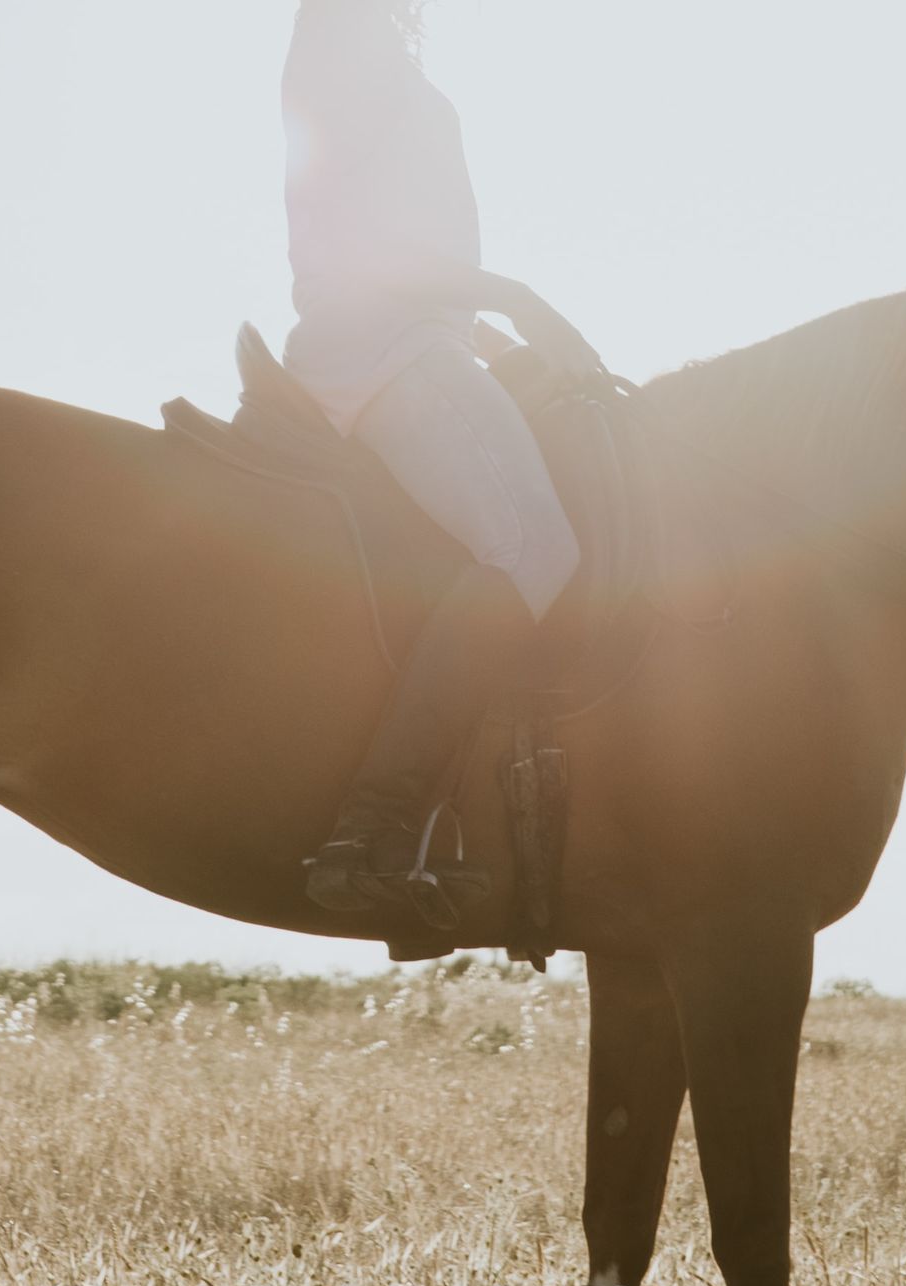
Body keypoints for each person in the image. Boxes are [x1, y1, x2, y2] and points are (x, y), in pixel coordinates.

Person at [283, 0, 606, 923]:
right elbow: (359, 256)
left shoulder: (379, 52)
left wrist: (500, 342)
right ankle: (372, 827)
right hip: (380, 349)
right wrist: (516, 298)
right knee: (535, 549)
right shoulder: (346, 47)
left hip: (429, 340)